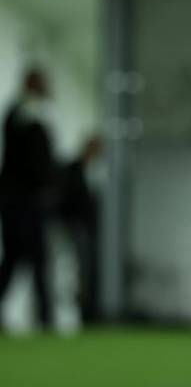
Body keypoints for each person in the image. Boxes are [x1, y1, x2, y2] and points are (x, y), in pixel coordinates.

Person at [0, 68, 56, 329]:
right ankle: (45, 317)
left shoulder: (39, 114)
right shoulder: (20, 114)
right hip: (18, 202)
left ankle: (45, 317)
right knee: (15, 259)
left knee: (37, 260)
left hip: (33, 201)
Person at [58, 136, 102, 324]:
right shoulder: (72, 169)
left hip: (90, 228)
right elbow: (65, 198)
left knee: (88, 269)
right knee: (77, 269)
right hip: (74, 226)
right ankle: (80, 310)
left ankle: (89, 311)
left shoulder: (97, 171)